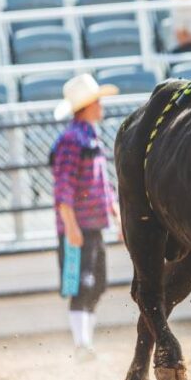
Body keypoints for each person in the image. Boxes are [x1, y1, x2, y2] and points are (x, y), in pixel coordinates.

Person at [51, 73, 120, 358]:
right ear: (88, 105)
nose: (101, 105)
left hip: (91, 223)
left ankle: (85, 342)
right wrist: (71, 225)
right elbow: (63, 186)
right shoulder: (73, 140)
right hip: (80, 225)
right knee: (83, 283)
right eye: (97, 101)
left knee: (96, 283)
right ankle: (82, 344)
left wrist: (115, 215)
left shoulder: (86, 137)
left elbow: (102, 185)